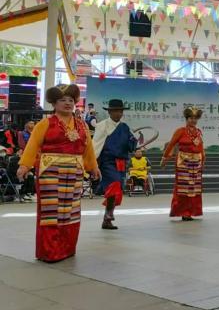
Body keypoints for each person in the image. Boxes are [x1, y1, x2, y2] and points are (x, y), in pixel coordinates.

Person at [17, 84, 100, 263]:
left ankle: (67, 248)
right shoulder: (45, 124)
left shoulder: (82, 125)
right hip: (50, 172)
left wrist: (93, 166)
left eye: (71, 100)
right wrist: (24, 165)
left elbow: (88, 149)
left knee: (71, 211)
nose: (68, 103)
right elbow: (32, 145)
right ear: (54, 103)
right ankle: (50, 251)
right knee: (51, 212)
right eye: (62, 100)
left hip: (75, 172)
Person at [92, 99, 137, 230]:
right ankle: (108, 214)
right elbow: (96, 144)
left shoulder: (125, 127)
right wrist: (93, 163)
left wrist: (133, 141)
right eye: (116, 111)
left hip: (121, 162)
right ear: (110, 112)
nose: (118, 113)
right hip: (107, 162)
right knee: (115, 184)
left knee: (117, 188)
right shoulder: (102, 126)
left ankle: (107, 219)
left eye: (120, 111)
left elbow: (131, 145)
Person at [161, 106, 205, 221]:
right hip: (183, 163)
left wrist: (203, 161)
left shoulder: (198, 132)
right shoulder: (180, 131)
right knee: (183, 188)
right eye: (191, 118)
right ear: (186, 119)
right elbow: (171, 144)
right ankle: (184, 212)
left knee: (194, 189)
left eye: (195, 118)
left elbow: (201, 148)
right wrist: (165, 157)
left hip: (196, 164)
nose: (193, 120)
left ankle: (192, 211)